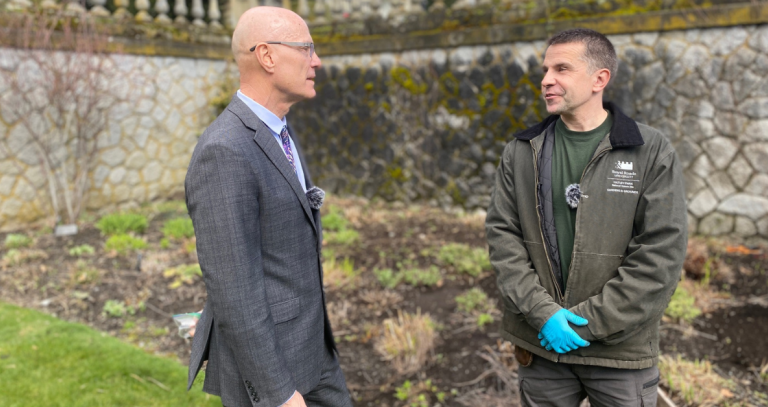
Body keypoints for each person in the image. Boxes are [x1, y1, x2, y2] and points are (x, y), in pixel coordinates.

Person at [485, 28, 687, 406]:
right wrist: (543, 314)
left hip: (620, 354)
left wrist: (588, 323)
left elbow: (661, 254)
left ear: (600, 79)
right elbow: (503, 238)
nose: (546, 80)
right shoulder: (521, 151)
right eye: (545, 70)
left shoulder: (650, 151)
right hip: (542, 350)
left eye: (562, 69)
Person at [184, 7, 352, 407]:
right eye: (306, 48)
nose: (317, 60)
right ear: (267, 56)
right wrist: (278, 394)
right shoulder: (225, 150)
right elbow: (234, 289)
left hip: (313, 351)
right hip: (274, 372)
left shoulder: (279, 130)